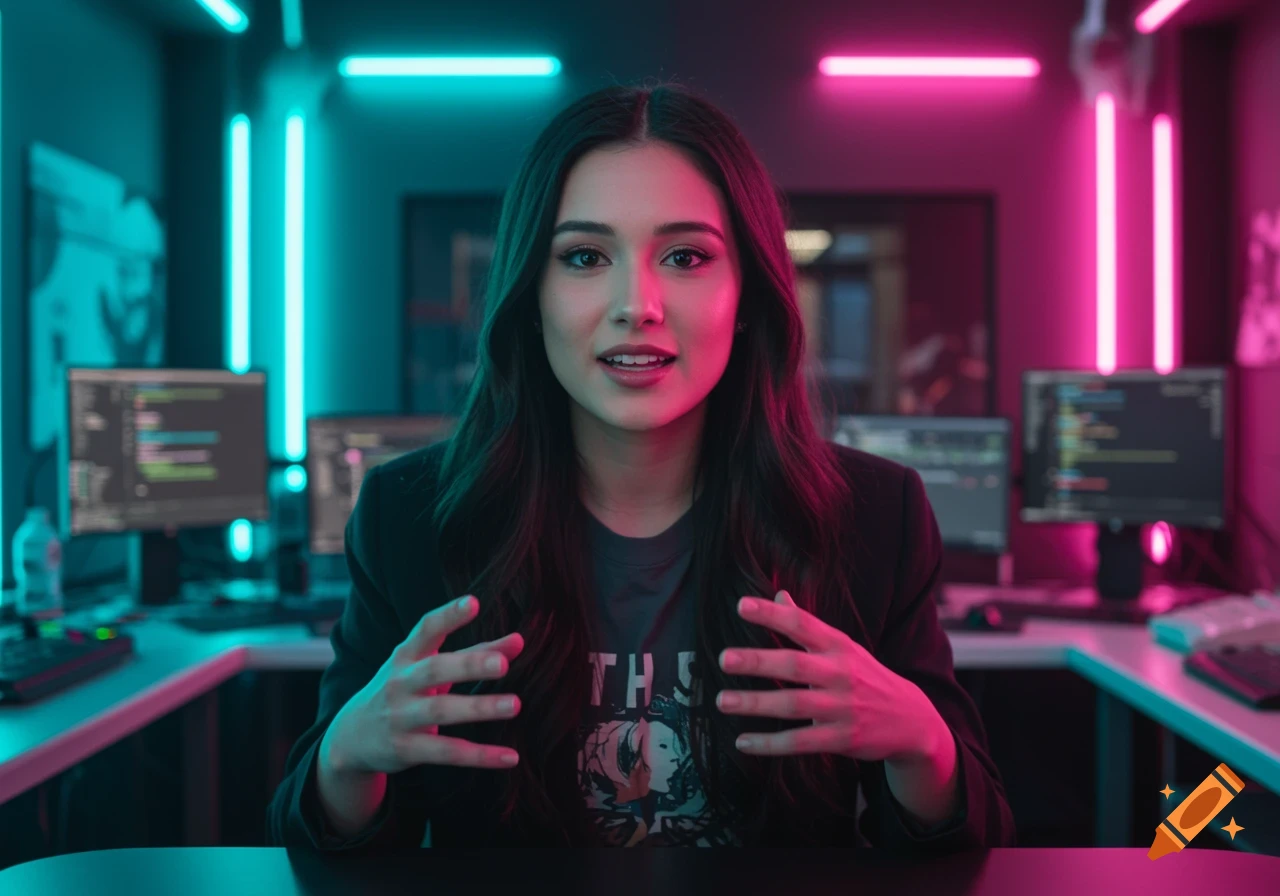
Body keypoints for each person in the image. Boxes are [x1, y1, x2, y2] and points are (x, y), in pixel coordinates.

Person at [267, 81, 1016, 849]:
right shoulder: (409, 516)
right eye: (585, 256)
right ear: (532, 295)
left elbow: (970, 842)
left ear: (747, 294)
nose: (638, 304)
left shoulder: (874, 517)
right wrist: (345, 760)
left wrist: (923, 744)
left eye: (686, 256)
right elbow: (329, 841)